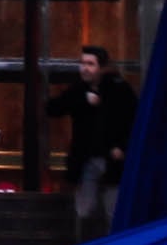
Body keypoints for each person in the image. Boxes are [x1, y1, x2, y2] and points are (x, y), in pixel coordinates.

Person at [57, 47, 133, 234]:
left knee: (113, 211)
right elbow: (54, 108)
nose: (85, 68)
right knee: (84, 210)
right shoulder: (79, 89)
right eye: (82, 63)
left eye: (90, 64)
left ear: (101, 67)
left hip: (112, 158)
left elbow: (132, 120)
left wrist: (122, 147)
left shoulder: (119, 89)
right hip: (87, 158)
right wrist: (82, 101)